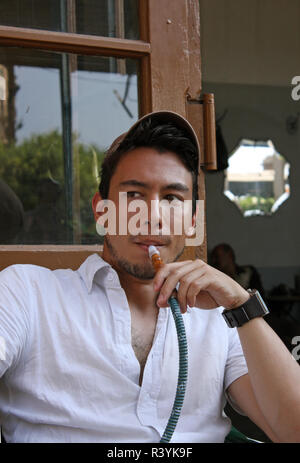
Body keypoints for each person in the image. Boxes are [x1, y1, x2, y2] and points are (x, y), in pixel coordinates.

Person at [0, 111, 300, 443]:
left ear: (191, 219)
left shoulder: (221, 320)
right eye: (134, 195)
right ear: (102, 211)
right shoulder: (27, 294)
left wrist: (241, 306)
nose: (153, 217)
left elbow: (292, 429)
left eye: (172, 198)